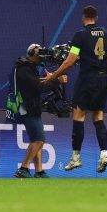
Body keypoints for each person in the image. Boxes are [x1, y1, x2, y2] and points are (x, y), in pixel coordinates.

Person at [41, 5, 107, 173]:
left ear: (83, 17)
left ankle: (76, 158)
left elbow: (70, 60)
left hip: (87, 79)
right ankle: (104, 154)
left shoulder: (80, 35)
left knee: (79, 115)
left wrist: (54, 75)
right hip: (103, 80)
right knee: (98, 116)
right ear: (96, 17)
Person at [14, 44, 67, 178]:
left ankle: (39, 171)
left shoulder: (28, 68)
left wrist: (52, 78)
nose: (43, 55)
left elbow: (36, 82)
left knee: (36, 140)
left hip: (32, 107)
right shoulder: (24, 69)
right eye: (40, 52)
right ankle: (23, 168)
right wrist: (56, 80)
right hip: (28, 108)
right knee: (39, 140)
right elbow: (37, 87)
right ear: (32, 53)